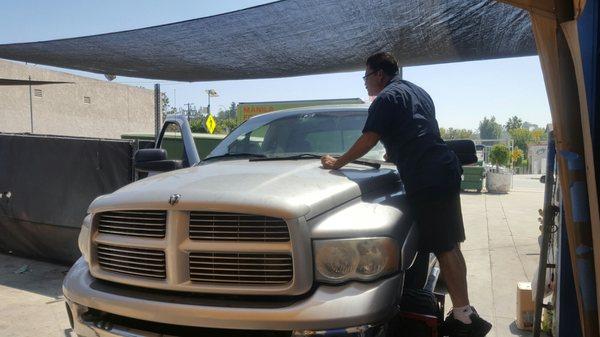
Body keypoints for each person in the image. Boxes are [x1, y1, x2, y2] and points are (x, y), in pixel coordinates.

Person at [320, 52, 492, 337]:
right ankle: (465, 310)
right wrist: (397, 149)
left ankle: (464, 318)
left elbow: (368, 139)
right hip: (443, 169)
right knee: (450, 243)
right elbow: (420, 129)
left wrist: (338, 162)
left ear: (379, 75)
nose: (364, 83)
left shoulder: (385, 99)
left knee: (444, 246)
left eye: (365, 76)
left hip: (426, 175)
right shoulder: (419, 92)